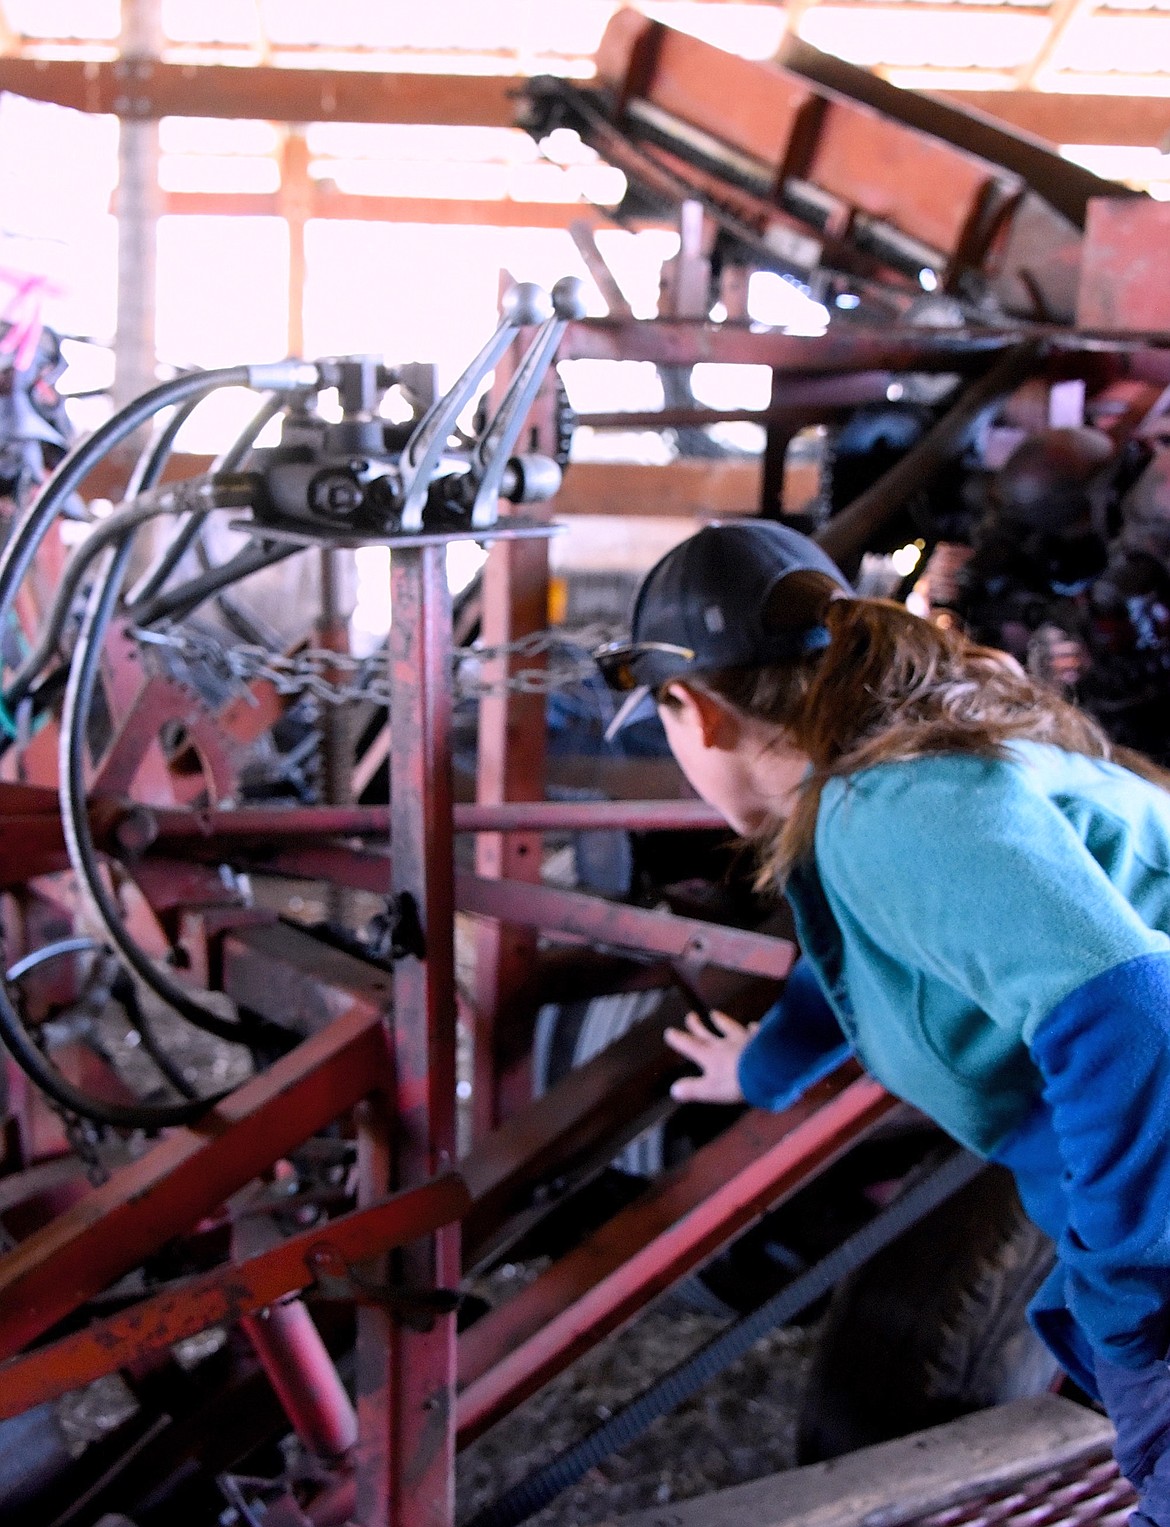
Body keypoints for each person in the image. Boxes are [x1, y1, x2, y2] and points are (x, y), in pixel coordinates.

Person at [594, 518, 1170, 1527]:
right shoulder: (885, 786)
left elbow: (1133, 1016)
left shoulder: (891, 810)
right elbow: (863, 969)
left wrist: (1133, 1307)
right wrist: (763, 1070)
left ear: (692, 709)